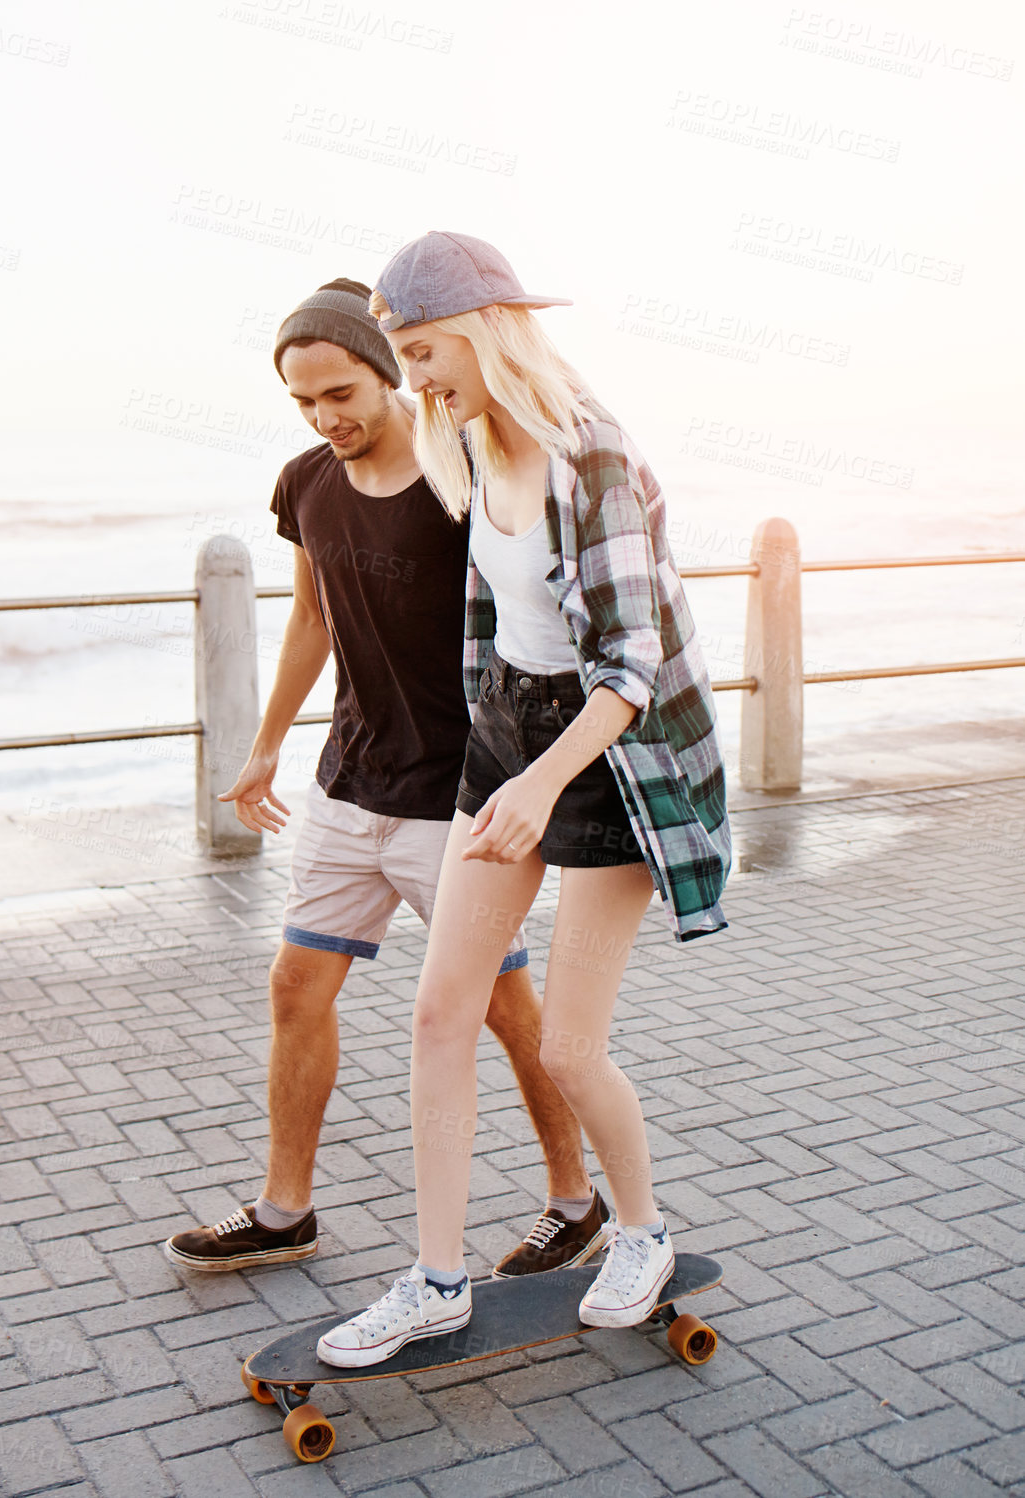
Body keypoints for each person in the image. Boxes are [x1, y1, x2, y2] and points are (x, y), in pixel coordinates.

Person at [316, 234, 731, 1367]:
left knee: (566, 1046)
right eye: (401, 355)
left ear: (486, 328)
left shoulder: (583, 453)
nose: (414, 378)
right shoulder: (464, 438)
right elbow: (494, 622)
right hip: (510, 734)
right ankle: (435, 1278)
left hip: (613, 755)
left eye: (422, 350)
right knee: (439, 1011)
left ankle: (638, 1230)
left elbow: (631, 667)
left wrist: (544, 786)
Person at [165, 276, 605, 1277]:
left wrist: (548, 769)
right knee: (295, 984)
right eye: (304, 401)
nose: (327, 419)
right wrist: (268, 742)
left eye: (341, 395)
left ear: (389, 371)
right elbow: (312, 617)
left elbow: (537, 616)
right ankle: (285, 1208)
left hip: (454, 793)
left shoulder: (462, 475)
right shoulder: (305, 482)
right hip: (347, 780)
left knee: (501, 1008)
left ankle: (573, 1199)